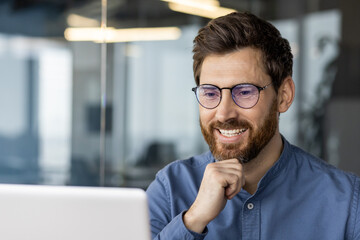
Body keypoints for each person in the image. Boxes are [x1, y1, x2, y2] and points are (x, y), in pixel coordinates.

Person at [146, 11, 360, 240]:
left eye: (245, 92)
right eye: (210, 93)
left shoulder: (346, 202)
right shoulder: (169, 189)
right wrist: (193, 220)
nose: (224, 113)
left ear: (284, 96)